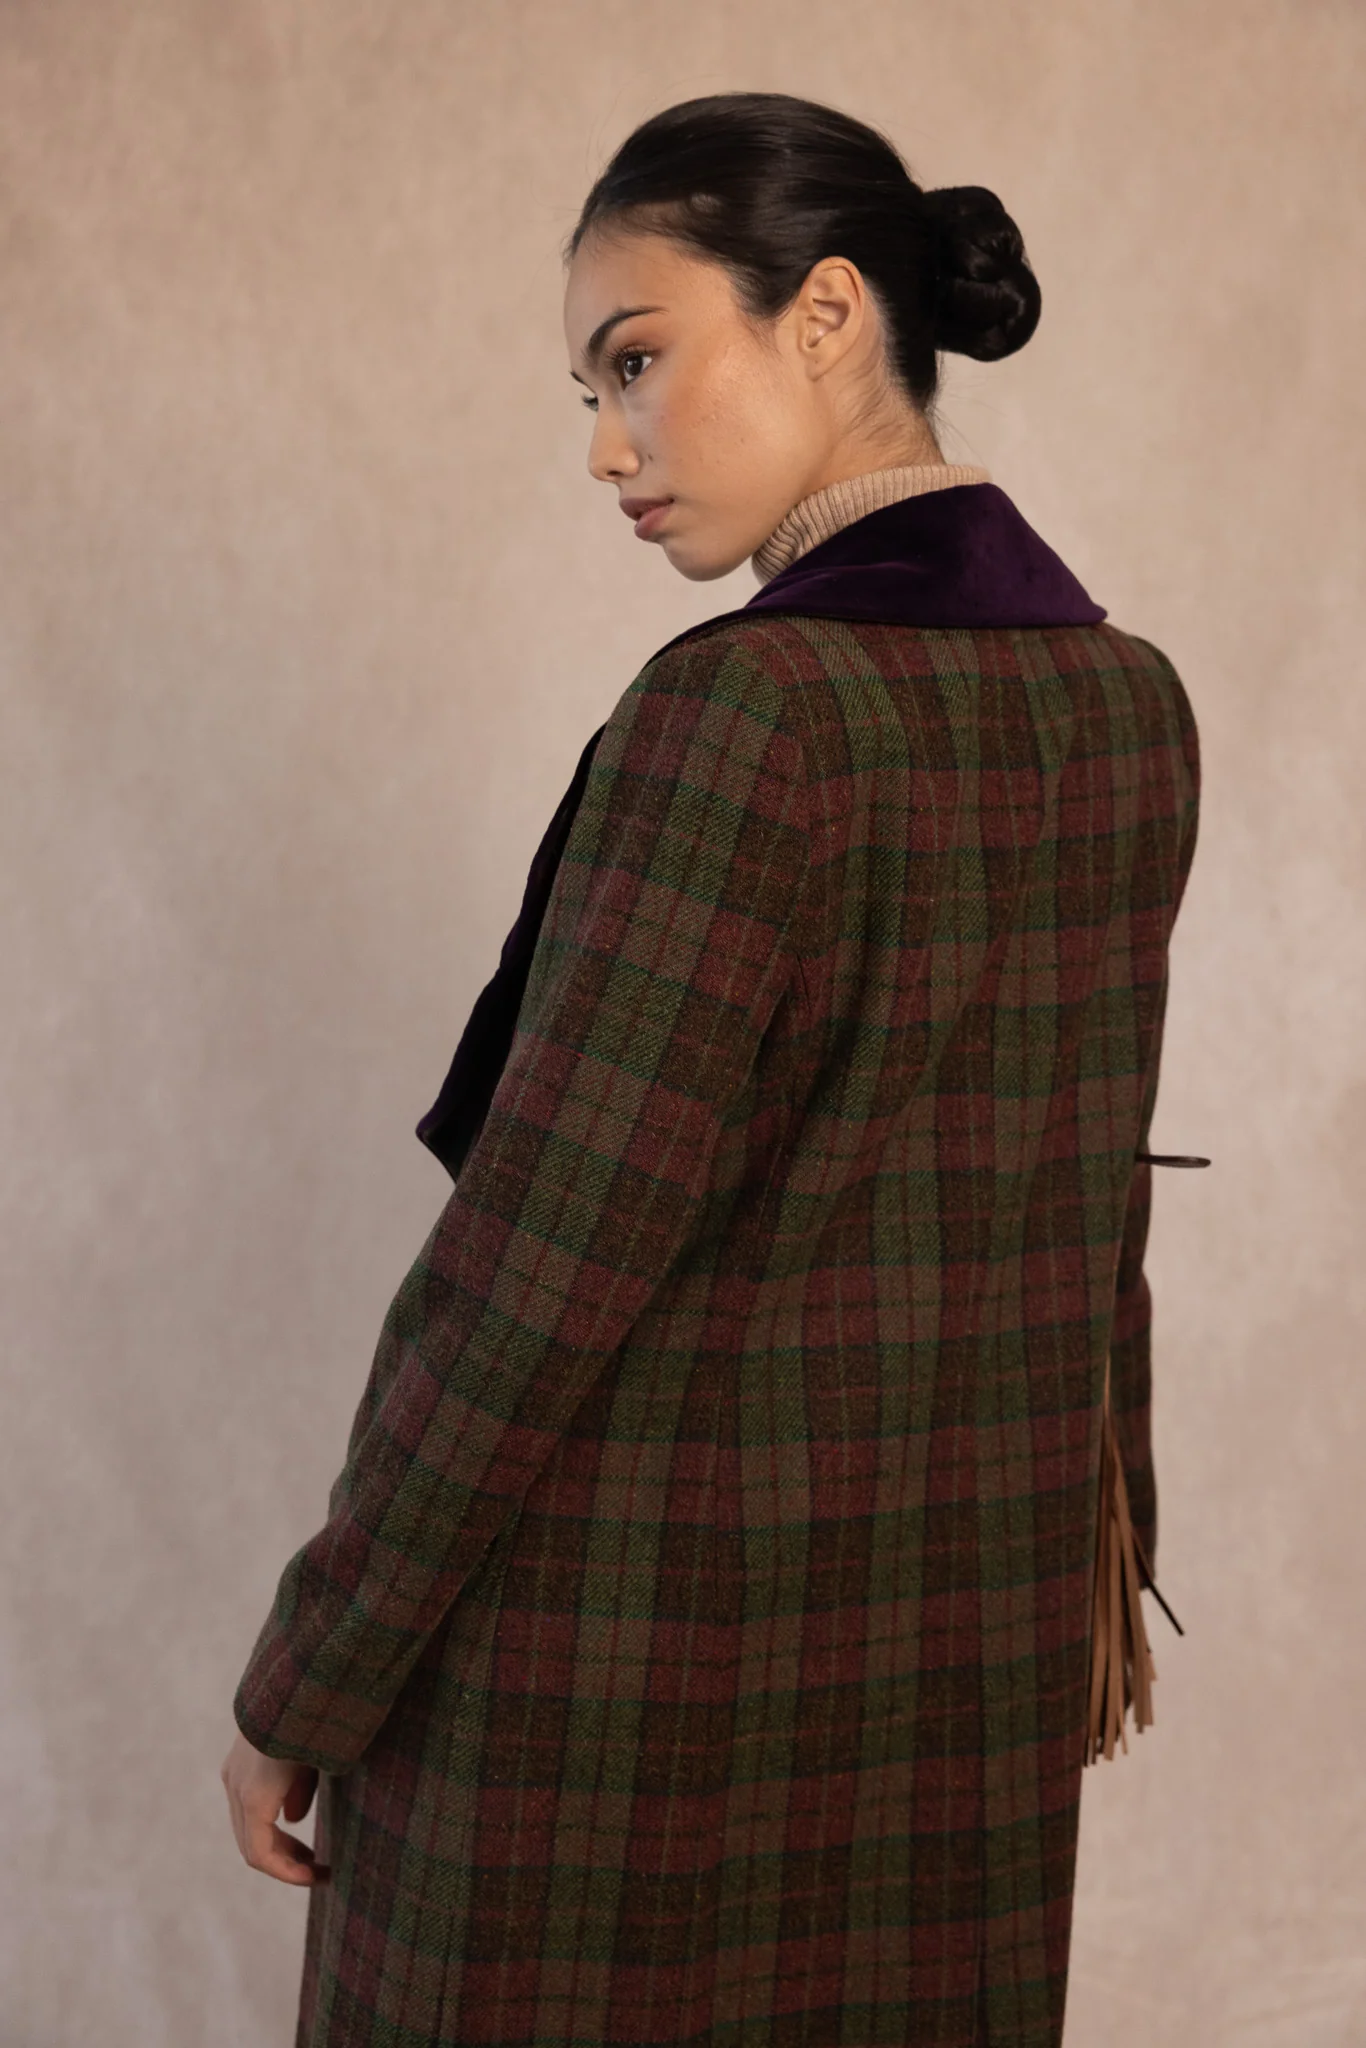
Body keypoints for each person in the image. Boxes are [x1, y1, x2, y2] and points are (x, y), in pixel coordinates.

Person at [220, 89, 1200, 2048]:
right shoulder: (1124, 700)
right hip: (956, 1659)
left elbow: (528, 1277)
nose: (605, 445)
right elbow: (1083, 1230)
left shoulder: (743, 714)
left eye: (636, 362)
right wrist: (1087, 1575)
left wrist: (305, 1680)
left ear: (825, 313)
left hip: (620, 1690)